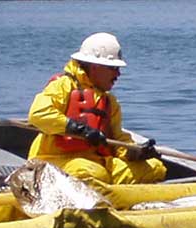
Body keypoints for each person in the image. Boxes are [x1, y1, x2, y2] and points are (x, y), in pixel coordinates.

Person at [27, 32, 166, 186]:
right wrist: (79, 129)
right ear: (95, 67)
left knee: (155, 168)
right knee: (90, 173)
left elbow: (118, 139)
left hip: (98, 162)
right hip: (56, 161)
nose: (118, 74)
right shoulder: (63, 86)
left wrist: (135, 152)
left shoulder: (109, 101)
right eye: (113, 68)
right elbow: (38, 114)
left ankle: (105, 190)